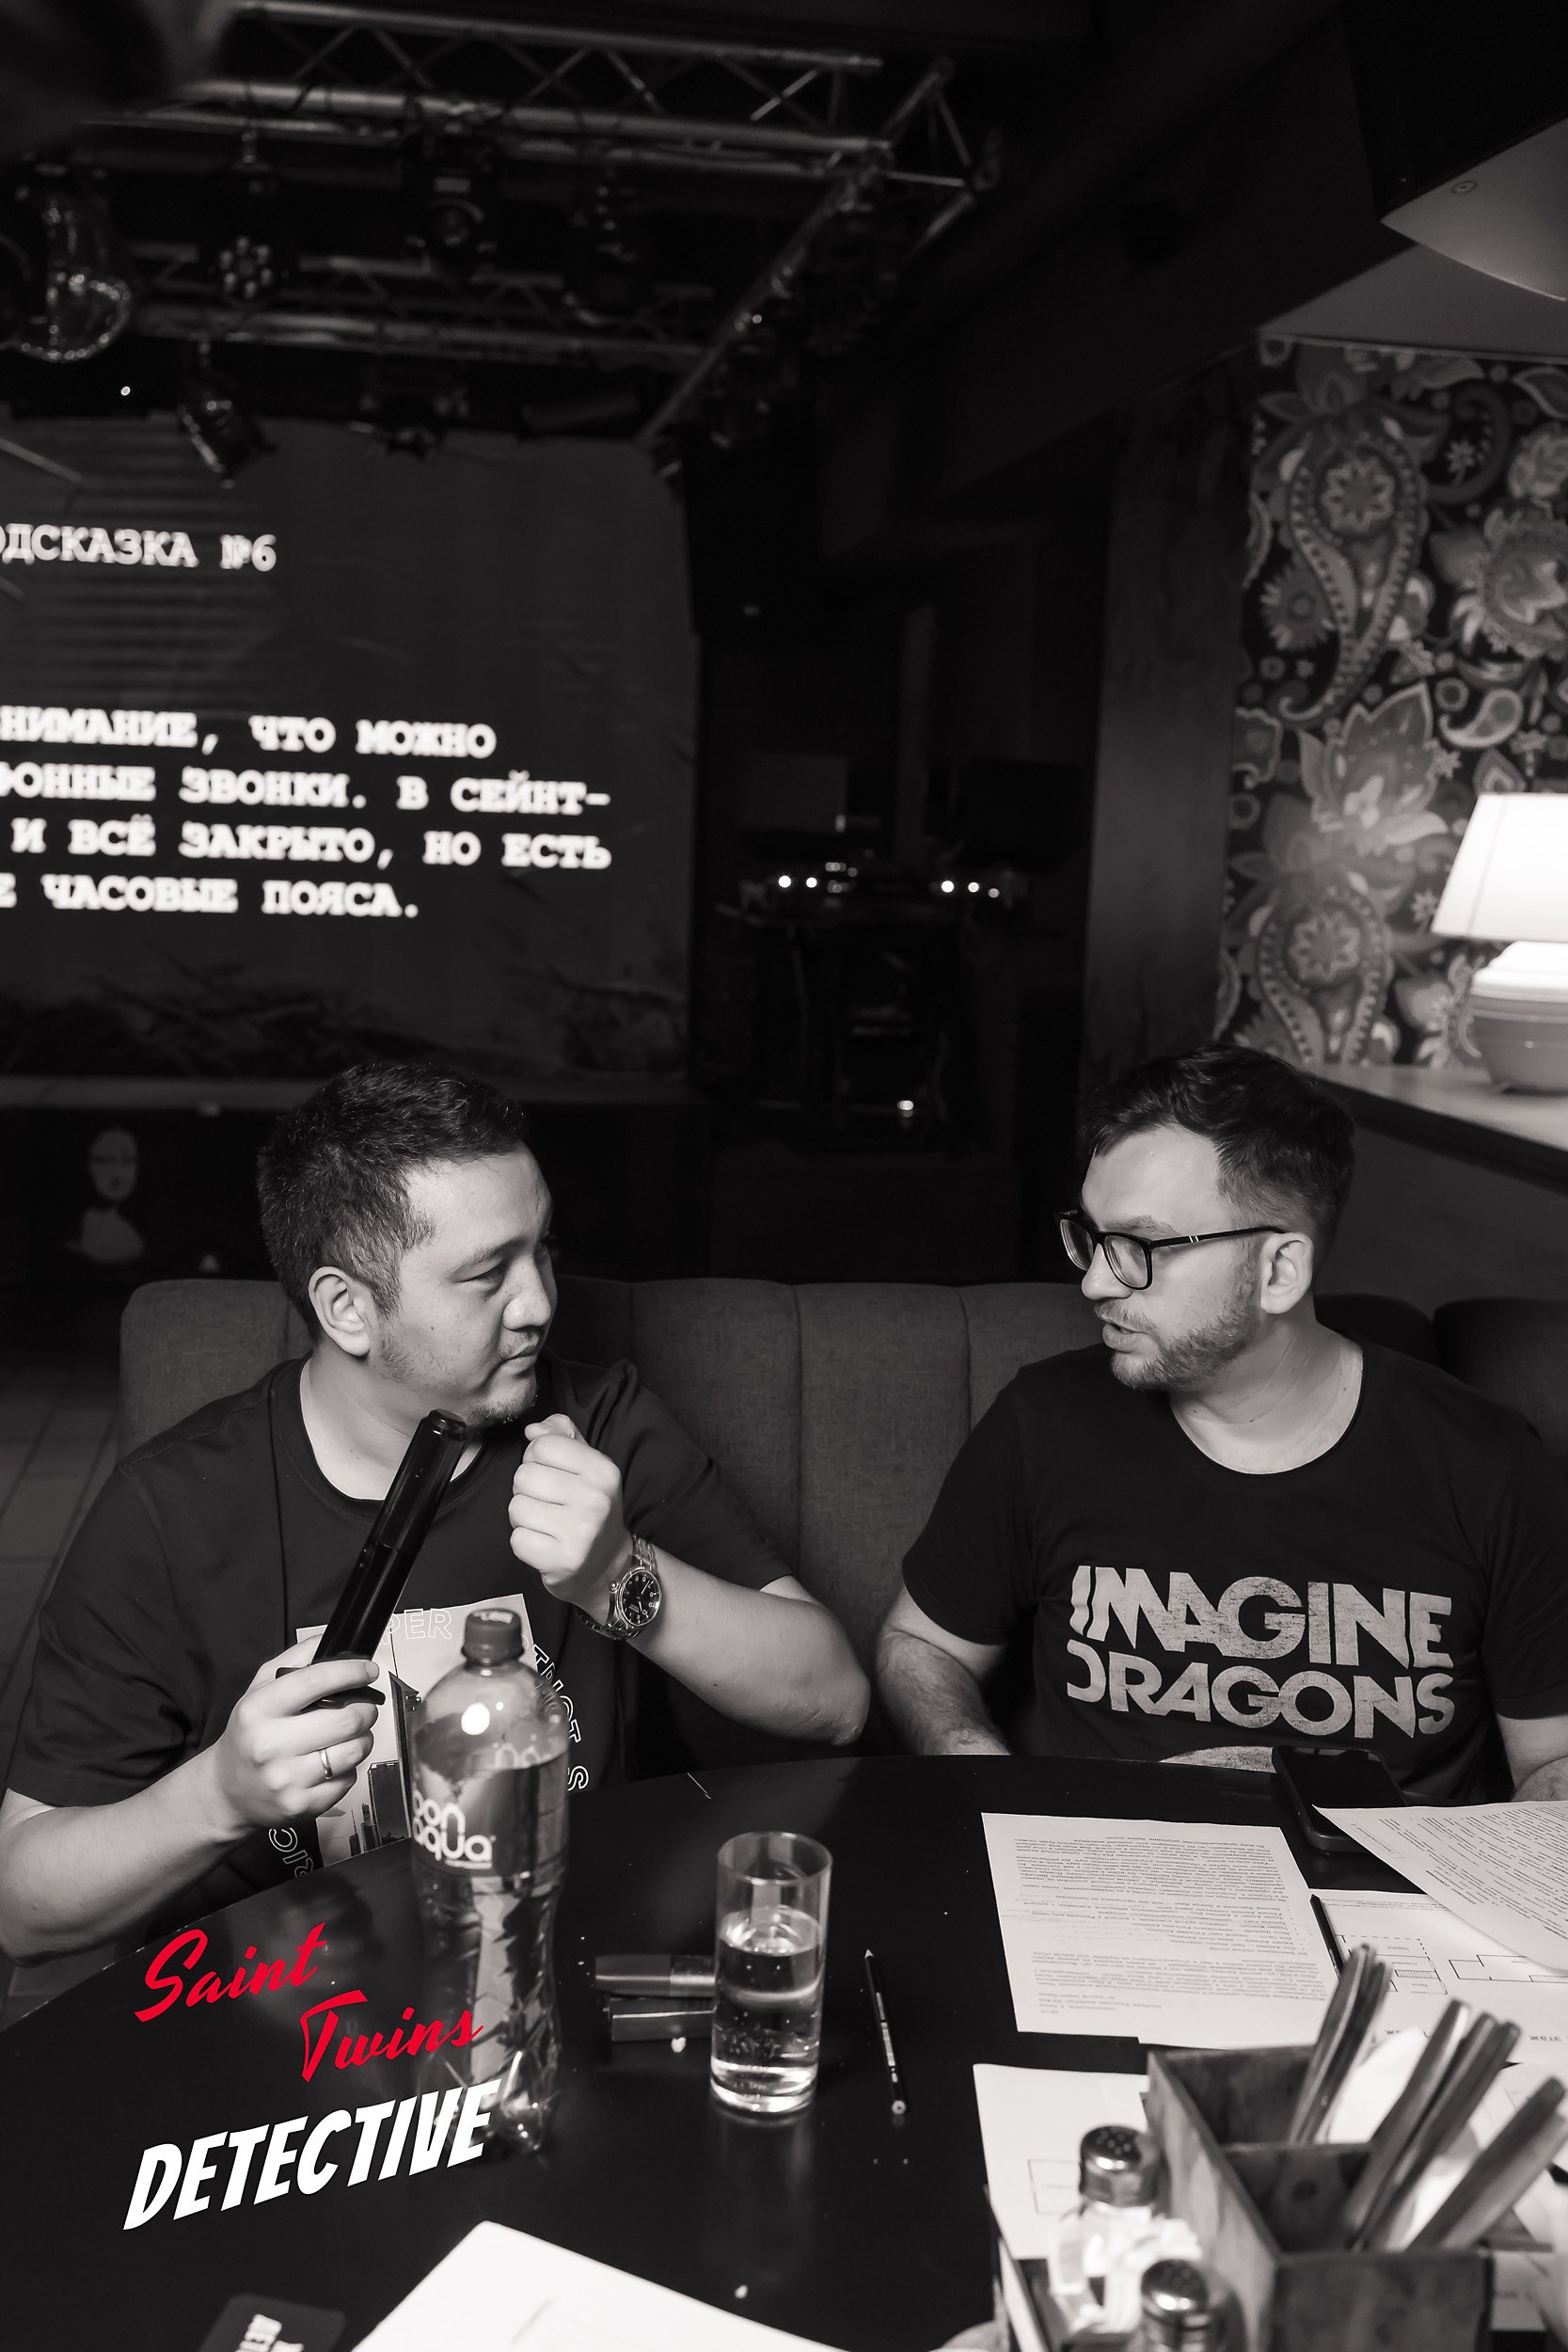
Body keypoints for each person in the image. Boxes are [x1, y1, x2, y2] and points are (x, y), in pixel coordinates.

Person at [0, 1064, 867, 1958]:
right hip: (292, 2005)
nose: (540, 1304)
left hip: (554, 1967)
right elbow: (21, 1907)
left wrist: (619, 1575)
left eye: (542, 1250)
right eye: (486, 1275)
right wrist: (216, 1797)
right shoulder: (168, 1510)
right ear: (347, 1308)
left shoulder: (596, 1425)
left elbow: (834, 1699)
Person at [877, 1045, 1568, 1804]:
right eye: (1092, 1237)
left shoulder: (1488, 1467)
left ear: (1278, 1272)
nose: (1094, 1281)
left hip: (1373, 1877)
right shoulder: (1044, 1422)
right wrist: (974, 1764)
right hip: (1101, 1863)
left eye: (1139, 1246)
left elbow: (1552, 1762)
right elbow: (920, 1645)